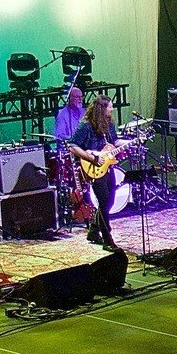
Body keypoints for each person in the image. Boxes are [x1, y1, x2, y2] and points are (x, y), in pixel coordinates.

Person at [63, 94, 124, 249]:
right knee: (103, 200)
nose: (112, 109)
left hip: (107, 166)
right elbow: (72, 145)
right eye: (110, 106)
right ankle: (107, 239)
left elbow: (115, 142)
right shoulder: (86, 125)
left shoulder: (109, 123)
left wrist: (131, 142)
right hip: (93, 167)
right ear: (102, 109)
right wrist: (91, 158)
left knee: (109, 200)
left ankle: (94, 229)